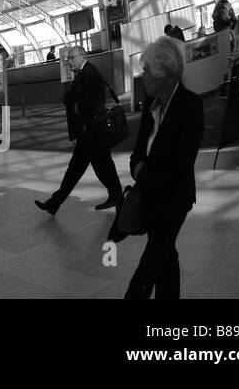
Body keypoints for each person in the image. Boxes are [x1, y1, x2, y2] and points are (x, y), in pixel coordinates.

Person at [113, 36, 204, 299]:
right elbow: (137, 154)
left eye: (147, 71)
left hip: (174, 199)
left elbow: (180, 165)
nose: (143, 77)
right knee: (166, 258)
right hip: (150, 197)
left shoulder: (190, 107)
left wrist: (144, 172)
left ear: (166, 74)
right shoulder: (150, 106)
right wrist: (140, 169)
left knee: (150, 262)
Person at [35, 45, 123, 215]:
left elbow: (95, 98)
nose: (69, 62)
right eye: (68, 59)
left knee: (91, 169)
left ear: (82, 56)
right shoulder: (85, 73)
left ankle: (116, 197)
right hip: (89, 133)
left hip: (92, 132)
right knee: (93, 168)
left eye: (72, 58)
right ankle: (115, 196)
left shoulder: (90, 72)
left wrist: (78, 107)